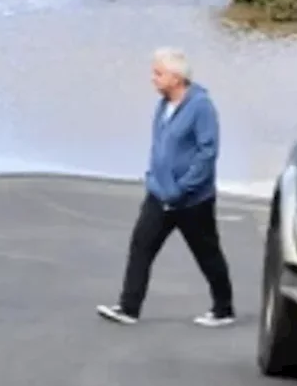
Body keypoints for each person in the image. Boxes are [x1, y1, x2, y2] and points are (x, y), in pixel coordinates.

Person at [97, 48, 235, 327]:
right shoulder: (163, 105)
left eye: (158, 73)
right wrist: (153, 179)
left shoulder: (201, 106)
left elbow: (207, 153)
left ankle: (223, 309)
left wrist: (184, 187)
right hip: (159, 194)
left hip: (192, 200)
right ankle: (128, 308)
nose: (153, 78)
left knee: (207, 253)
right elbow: (160, 148)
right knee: (141, 246)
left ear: (176, 77)